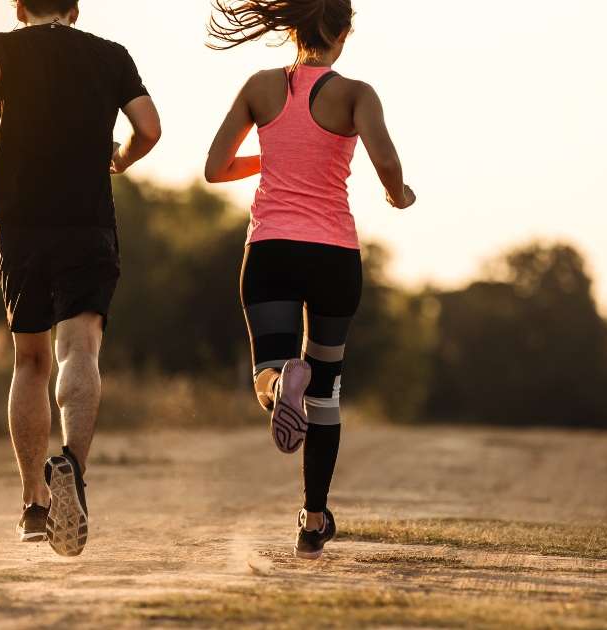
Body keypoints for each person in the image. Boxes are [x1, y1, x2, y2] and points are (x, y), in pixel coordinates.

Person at [0, 0, 161, 557]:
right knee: (80, 349)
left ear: (21, 8)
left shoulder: (2, 46)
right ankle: (73, 470)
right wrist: (124, 157)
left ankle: (35, 506)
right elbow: (150, 127)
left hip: (19, 222)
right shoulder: (110, 56)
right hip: (86, 222)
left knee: (31, 361)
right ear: (75, 9)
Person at [204, 0, 416, 560]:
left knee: (267, 370)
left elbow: (214, 167)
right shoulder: (356, 94)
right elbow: (386, 163)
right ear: (342, 32)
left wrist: (272, 157)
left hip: (271, 249)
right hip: (333, 254)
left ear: (293, 28)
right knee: (327, 391)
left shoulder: (260, 86)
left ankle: (278, 388)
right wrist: (399, 195)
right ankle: (313, 518)